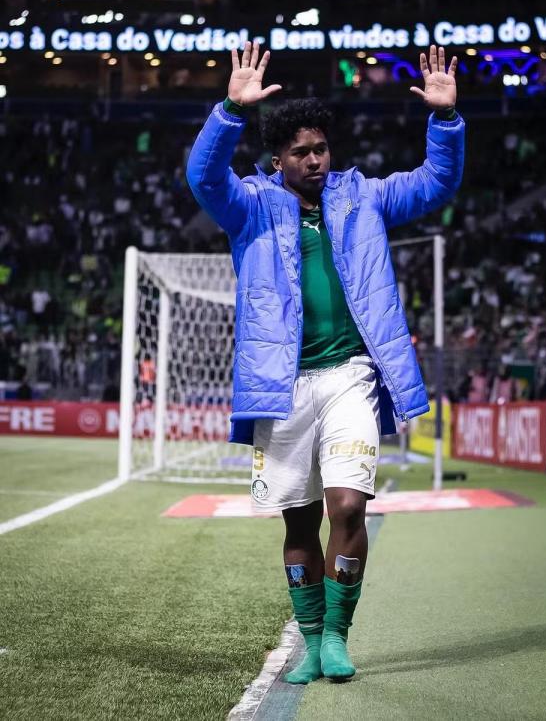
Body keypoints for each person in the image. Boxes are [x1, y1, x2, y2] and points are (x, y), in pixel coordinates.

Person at [186, 41, 464, 683]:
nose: (314, 161)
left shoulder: (361, 196)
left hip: (350, 377)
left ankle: (337, 634)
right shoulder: (249, 206)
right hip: (279, 387)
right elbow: (204, 178)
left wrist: (445, 122)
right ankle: (309, 640)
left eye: (321, 149)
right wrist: (229, 110)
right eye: (301, 153)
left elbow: (434, 183)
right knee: (298, 519)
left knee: (347, 506)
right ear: (277, 158)